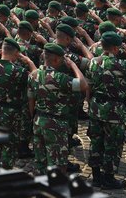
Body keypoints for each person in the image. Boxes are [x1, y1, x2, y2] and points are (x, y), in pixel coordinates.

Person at [86, 32, 126, 189]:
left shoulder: (93, 62)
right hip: (114, 109)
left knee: (96, 141)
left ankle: (96, 176)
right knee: (112, 144)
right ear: (116, 48)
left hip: (96, 106)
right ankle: (108, 178)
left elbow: (88, 85)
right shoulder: (121, 65)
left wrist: (89, 101)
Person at [28, 43, 89, 175]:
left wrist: (34, 116)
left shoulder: (33, 75)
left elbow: (31, 99)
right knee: (59, 163)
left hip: (38, 120)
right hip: (56, 123)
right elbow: (83, 84)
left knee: (40, 160)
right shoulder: (59, 77)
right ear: (56, 59)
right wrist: (73, 65)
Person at [0, 38, 35, 169]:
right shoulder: (19, 71)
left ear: (1, 51)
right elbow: (36, 77)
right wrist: (29, 62)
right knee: (9, 145)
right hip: (13, 113)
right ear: (17, 53)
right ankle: (5, 170)